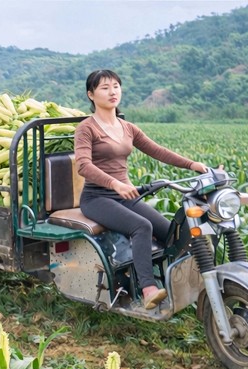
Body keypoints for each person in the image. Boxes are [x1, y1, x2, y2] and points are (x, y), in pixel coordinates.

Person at [74, 69, 208, 310]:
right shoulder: (87, 128)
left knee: (172, 232)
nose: (112, 91)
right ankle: (148, 290)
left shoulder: (127, 127)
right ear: (91, 95)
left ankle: (181, 284)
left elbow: (157, 150)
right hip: (97, 198)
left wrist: (192, 164)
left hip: (126, 195)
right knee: (141, 226)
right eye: (104, 87)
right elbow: (83, 165)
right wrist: (115, 183)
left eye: (116, 86)